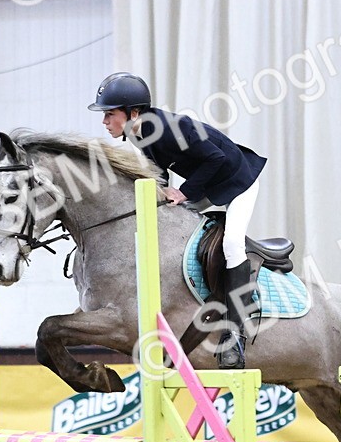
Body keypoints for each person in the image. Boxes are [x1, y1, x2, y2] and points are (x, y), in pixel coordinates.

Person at [89, 72, 266, 369]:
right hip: (208, 185)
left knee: (233, 245)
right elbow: (159, 171)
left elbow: (216, 159)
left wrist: (183, 193)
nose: (105, 122)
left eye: (109, 114)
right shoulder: (138, 132)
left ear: (133, 113)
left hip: (238, 182)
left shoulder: (171, 129)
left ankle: (234, 333)